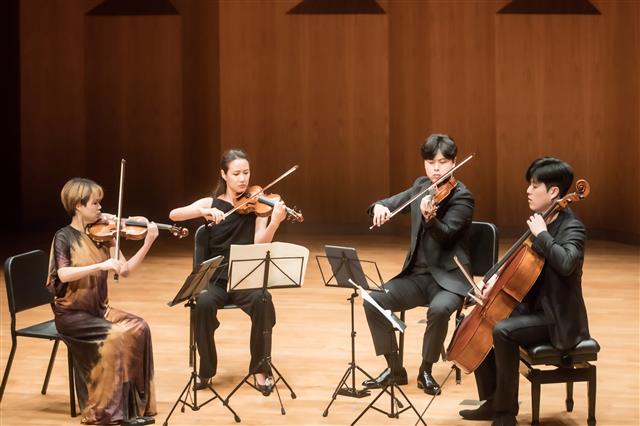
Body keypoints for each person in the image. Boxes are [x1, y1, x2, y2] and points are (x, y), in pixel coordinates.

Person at [458, 157, 590, 426]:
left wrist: (543, 235)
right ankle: (493, 401)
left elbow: (565, 264)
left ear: (553, 192)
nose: (527, 191)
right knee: (478, 318)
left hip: (557, 316)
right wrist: (492, 286)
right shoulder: (544, 220)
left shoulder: (571, 227)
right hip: (534, 307)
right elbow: (520, 270)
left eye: (533, 185)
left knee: (502, 330)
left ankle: (506, 415)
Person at [363, 134, 474, 395]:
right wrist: (379, 206)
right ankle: (395, 369)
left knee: (438, 310)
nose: (436, 168)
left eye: (443, 162)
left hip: (449, 280)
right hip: (417, 277)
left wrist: (430, 218)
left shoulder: (462, 197)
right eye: (430, 162)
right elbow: (394, 203)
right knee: (373, 300)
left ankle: (426, 370)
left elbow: (446, 234)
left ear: (454, 162)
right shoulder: (421, 186)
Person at [169, 149, 287, 394]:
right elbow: (174, 215)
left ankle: (261, 369)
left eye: (246, 172)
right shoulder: (210, 203)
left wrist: (274, 222)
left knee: (263, 299)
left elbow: (258, 245)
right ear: (224, 174)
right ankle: (206, 370)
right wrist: (202, 212)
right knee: (202, 304)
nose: (243, 179)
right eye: (236, 173)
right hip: (215, 280)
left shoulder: (257, 206)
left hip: (244, 278)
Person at [47, 178, 159, 426]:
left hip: (98, 310)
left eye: (100, 202)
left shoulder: (103, 234)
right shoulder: (63, 237)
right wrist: (101, 264)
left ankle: (130, 409)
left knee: (139, 327)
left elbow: (125, 269)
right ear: (78, 205)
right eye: (95, 203)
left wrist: (148, 242)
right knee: (116, 335)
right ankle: (106, 415)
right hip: (72, 315)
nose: (100, 208)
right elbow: (63, 275)